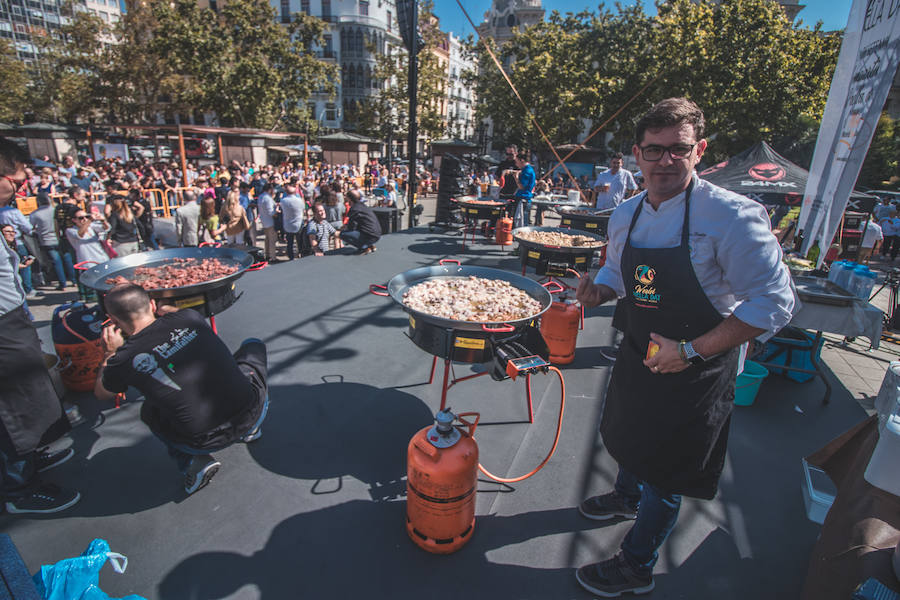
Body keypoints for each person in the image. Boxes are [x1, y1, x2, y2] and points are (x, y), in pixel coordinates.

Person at [573, 98, 794, 597]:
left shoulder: (732, 216)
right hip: (641, 350)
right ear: (636, 154)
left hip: (699, 365)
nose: (666, 161)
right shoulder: (625, 214)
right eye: (655, 150)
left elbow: (775, 303)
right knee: (630, 431)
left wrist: (689, 351)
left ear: (700, 151)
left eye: (679, 149)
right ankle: (625, 495)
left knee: (667, 474)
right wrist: (598, 291)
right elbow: (616, 274)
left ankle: (637, 565)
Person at [93, 284, 269, 495]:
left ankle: (192, 461)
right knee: (252, 346)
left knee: (149, 411)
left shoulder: (123, 359)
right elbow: (172, 312)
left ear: (112, 321)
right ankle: (251, 429)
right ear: (151, 304)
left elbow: (102, 394)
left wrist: (108, 355)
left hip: (203, 441)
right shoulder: (189, 318)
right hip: (252, 411)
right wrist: (163, 308)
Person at [0, 138, 79, 514]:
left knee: (31, 395)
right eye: (14, 182)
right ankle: (18, 488)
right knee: (13, 406)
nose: (20, 190)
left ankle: (27, 459)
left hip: (12, 316)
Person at [30, 194, 75, 290]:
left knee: (56, 262)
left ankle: (62, 284)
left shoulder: (35, 214)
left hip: (47, 240)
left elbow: (30, 227)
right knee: (67, 259)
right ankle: (74, 280)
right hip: (60, 237)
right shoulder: (56, 210)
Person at [0, 197, 37, 297]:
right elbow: (26, 226)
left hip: (2, 245)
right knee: (23, 265)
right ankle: (28, 288)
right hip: (17, 242)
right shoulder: (13, 211)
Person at [340, 189, 381, 255]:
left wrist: (343, 228)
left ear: (349, 199)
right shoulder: (363, 206)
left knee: (342, 234)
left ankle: (364, 247)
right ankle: (370, 245)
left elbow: (351, 227)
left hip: (370, 235)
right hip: (377, 234)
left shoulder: (354, 209)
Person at [280, 183, 305, 260]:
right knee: (299, 241)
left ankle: (291, 257)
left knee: (289, 243)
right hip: (298, 222)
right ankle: (300, 254)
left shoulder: (283, 201)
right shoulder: (299, 200)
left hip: (288, 224)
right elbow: (303, 209)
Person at [512, 151, 536, 227]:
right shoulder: (527, 170)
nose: (516, 164)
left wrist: (516, 177)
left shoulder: (527, 171)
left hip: (523, 199)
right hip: (523, 198)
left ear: (522, 160)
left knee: (520, 223)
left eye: (517, 162)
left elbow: (522, 186)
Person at [257, 183, 278, 262]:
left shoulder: (261, 196)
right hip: (270, 221)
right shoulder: (267, 198)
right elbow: (271, 212)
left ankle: (267, 254)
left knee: (267, 239)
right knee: (272, 240)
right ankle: (273, 257)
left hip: (264, 220)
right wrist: (276, 212)